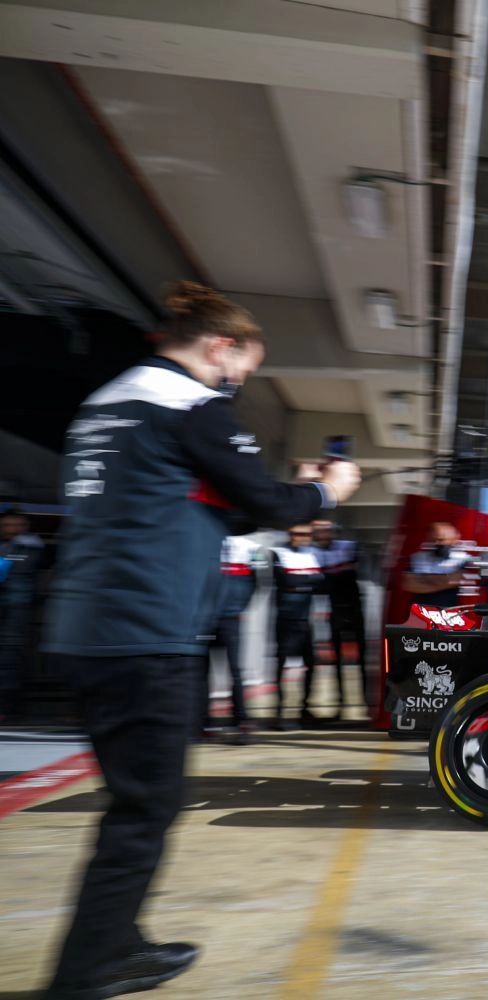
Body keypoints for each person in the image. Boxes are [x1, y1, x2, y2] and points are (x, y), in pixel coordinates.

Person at [40, 281, 361, 999]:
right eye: (240, 370)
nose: (236, 385)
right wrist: (328, 489)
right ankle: (83, 976)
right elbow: (273, 507)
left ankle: (120, 943)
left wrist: (275, 492)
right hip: (148, 634)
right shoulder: (195, 406)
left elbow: (214, 510)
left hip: (84, 629)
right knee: (144, 812)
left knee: (140, 799)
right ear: (220, 345)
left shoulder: (106, 403)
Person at [269, 525, 333, 728]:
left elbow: (322, 583)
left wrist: (298, 583)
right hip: (285, 620)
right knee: (281, 666)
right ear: (289, 535)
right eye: (297, 534)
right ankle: (279, 711)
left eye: (306, 534)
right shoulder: (278, 553)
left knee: (311, 666)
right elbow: (285, 580)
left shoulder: (312, 555)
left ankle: (304, 709)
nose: (302, 537)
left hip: (305, 621)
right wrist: (307, 580)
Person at [203, 533, 260, 743]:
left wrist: (239, 608)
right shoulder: (204, 540)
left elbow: (258, 583)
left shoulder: (250, 547)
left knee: (235, 671)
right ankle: (204, 722)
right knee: (202, 672)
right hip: (205, 620)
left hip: (231, 619)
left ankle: (242, 720)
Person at [311, 519, 367, 711]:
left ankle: (366, 701)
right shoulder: (313, 553)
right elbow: (319, 582)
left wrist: (330, 574)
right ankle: (341, 702)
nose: (323, 534)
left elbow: (354, 570)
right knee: (336, 660)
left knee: (362, 657)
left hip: (353, 607)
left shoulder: (348, 547)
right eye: (319, 531)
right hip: (333, 609)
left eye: (326, 530)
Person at [0, 507, 45, 721]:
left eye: (16, 525)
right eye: (7, 525)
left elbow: (9, 570)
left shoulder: (30, 546)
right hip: (13, 606)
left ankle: (8, 709)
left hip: (17, 608)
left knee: (11, 658)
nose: (12, 529)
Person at [402, 521, 473, 610]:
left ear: (454, 540)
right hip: (420, 611)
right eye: (433, 540)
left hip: (449, 612)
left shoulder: (462, 559)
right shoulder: (417, 558)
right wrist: (442, 581)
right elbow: (408, 584)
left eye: (441, 540)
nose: (436, 543)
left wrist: (422, 580)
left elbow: (453, 581)